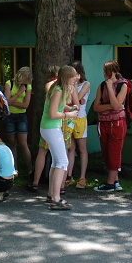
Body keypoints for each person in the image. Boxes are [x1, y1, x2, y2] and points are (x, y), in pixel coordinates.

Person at [40, 65, 79, 210]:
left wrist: (68, 108)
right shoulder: (58, 90)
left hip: (50, 128)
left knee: (57, 161)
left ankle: (52, 194)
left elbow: (57, 107)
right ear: (67, 77)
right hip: (51, 128)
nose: (76, 78)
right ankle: (56, 199)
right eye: (73, 76)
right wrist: (68, 115)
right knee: (62, 161)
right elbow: (52, 113)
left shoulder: (59, 89)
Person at [92, 61, 128, 192]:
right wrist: (110, 106)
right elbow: (96, 107)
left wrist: (110, 89)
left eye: (105, 71)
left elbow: (118, 105)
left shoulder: (123, 85)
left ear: (112, 72)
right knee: (107, 152)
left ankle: (110, 183)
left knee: (114, 151)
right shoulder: (101, 86)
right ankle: (115, 180)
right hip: (103, 122)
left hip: (117, 123)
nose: (104, 74)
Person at [28, 65, 60, 193]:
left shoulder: (50, 85)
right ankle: (59, 186)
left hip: (51, 122)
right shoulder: (58, 86)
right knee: (60, 155)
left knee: (43, 151)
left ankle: (36, 182)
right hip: (57, 121)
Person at [4, 66, 33, 175]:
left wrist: (12, 101)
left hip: (22, 116)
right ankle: (13, 169)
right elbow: (6, 103)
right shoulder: (9, 84)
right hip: (10, 115)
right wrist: (19, 93)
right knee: (12, 142)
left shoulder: (28, 86)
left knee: (23, 143)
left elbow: (26, 105)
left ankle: (30, 169)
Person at [66, 61, 90, 189]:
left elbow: (76, 101)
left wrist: (74, 87)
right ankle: (69, 176)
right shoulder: (69, 85)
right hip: (70, 118)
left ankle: (82, 177)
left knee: (82, 148)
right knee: (71, 148)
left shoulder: (86, 84)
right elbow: (69, 101)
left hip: (80, 118)